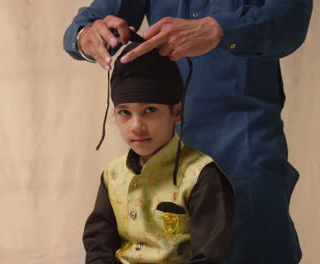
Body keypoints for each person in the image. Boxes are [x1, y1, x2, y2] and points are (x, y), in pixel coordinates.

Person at [64, 1, 312, 263]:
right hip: (165, 143)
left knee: (254, 245)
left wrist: (221, 29)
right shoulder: (116, 177)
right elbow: (89, 23)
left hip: (244, 138)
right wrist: (87, 35)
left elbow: (289, 21)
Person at [83, 41, 235, 264]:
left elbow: (209, 257)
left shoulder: (201, 176)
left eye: (150, 110)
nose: (136, 126)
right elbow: (98, 246)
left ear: (176, 112)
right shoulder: (113, 175)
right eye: (124, 112)